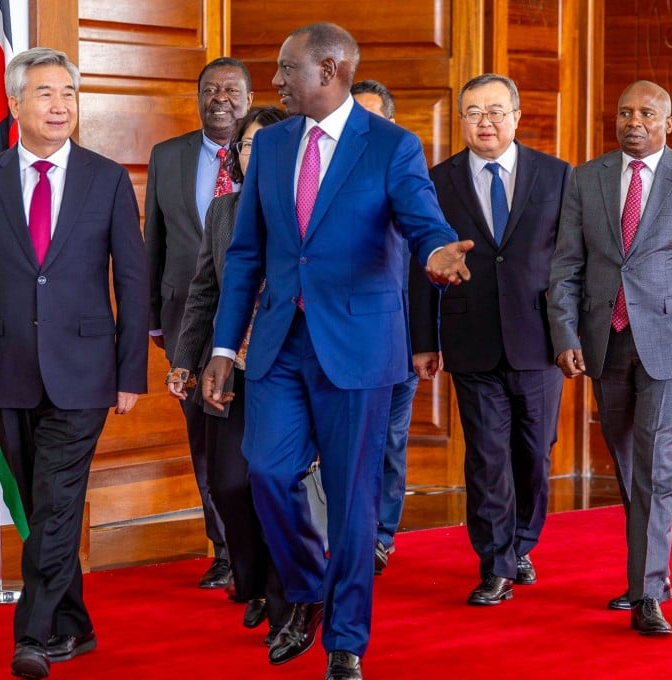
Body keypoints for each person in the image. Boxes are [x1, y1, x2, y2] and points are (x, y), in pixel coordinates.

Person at [202, 22, 473, 680]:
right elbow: (245, 258)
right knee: (265, 472)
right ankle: (305, 590)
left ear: (327, 71)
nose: (274, 82)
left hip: (357, 346)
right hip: (277, 347)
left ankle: (346, 638)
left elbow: (421, 218)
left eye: (286, 69)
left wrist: (437, 252)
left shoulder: (391, 147)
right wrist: (221, 344)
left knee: (353, 502)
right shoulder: (270, 150)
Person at [0, 47, 148, 679]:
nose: (61, 106)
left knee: (55, 501)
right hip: (3, 366)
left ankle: (32, 634)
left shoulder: (107, 178)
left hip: (86, 372)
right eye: (47, 94)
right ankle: (76, 626)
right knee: (39, 504)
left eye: (69, 94)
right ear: (15, 104)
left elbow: (133, 280)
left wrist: (130, 371)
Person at [547, 80, 672, 636]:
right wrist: (565, 336)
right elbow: (565, 266)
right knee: (629, 464)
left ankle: (647, 591)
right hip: (605, 343)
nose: (634, 120)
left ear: (667, 122)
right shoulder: (588, 178)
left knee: (657, 464)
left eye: (647, 113)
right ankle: (649, 573)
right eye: (625, 112)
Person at [410, 74, 570, 607]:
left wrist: (573, 334)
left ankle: (524, 543)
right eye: (474, 111)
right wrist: (423, 339)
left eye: (496, 110)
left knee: (534, 453)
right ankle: (496, 562)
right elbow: (420, 264)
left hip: (539, 339)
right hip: (470, 335)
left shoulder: (557, 176)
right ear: (461, 120)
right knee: (485, 456)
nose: (486, 121)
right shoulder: (435, 181)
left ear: (518, 116)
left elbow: (573, 264)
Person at [166, 105, 292, 645]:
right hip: (227, 365)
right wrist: (184, 358)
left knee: (273, 481)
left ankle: (285, 594)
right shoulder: (223, 210)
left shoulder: (304, 211)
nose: (255, 155)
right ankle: (253, 579)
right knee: (227, 483)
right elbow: (204, 292)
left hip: (288, 367)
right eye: (246, 146)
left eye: (268, 145)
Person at [145, 57, 253, 589]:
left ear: (249, 99)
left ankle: (261, 544)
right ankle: (224, 549)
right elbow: (154, 242)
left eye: (232, 90)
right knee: (204, 440)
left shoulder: (272, 157)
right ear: (198, 97)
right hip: (187, 320)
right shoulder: (167, 157)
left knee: (250, 435)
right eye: (211, 89)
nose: (221, 98)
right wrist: (151, 320)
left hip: (259, 325)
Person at [350, 79, 419, 575]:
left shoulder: (411, 182)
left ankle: (379, 537)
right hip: (338, 345)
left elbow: (427, 274)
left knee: (389, 443)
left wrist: (428, 344)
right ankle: (344, 531)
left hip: (398, 344)